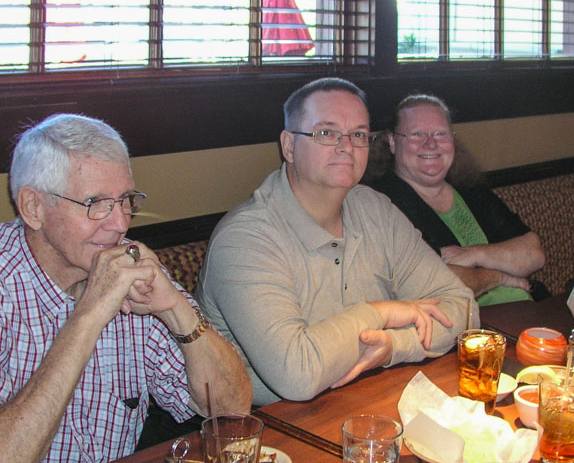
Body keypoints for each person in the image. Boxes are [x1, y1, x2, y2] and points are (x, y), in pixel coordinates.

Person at [0, 113, 251, 463]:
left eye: (125, 201)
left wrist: (177, 310)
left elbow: (232, 412)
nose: (118, 224)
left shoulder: (127, 264)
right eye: (94, 203)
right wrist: (88, 314)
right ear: (33, 207)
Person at [196, 78, 477, 406]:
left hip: (368, 403)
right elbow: (297, 376)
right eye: (326, 133)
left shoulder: (374, 209)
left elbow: (463, 309)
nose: (347, 146)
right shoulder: (245, 240)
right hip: (265, 431)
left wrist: (392, 346)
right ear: (288, 146)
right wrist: (379, 313)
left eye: (358, 134)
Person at [368, 94, 546, 306]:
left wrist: (474, 255)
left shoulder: (469, 188)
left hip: (525, 311)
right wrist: (503, 277)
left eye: (440, 134)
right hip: (464, 328)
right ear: (393, 142)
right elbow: (434, 284)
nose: (431, 144)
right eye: (417, 134)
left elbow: (533, 253)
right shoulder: (382, 201)